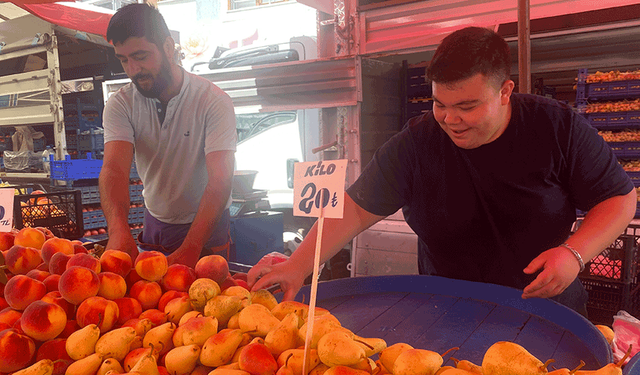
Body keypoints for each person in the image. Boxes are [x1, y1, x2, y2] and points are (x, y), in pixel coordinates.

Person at [248, 26, 637, 315]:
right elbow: (356, 208)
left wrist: (573, 253)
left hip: (545, 306)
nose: (451, 119)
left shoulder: (557, 128)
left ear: (505, 92)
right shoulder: (416, 142)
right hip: (447, 309)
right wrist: (298, 265)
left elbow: (619, 199)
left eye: (467, 106)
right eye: (440, 103)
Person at [99, 3, 236, 268]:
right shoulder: (121, 104)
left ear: (168, 47)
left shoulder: (213, 101)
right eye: (124, 59)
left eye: (141, 56)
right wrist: (117, 229)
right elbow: (114, 169)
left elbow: (220, 180)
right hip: (156, 222)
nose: (133, 69)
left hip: (208, 224)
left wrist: (192, 247)